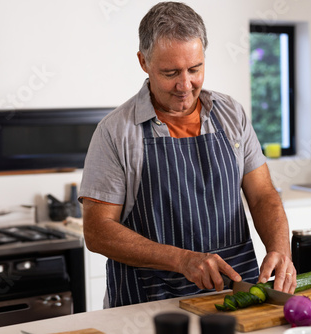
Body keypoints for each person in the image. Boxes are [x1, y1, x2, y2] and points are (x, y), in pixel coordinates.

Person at [79, 1, 296, 308]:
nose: (185, 85)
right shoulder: (115, 132)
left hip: (236, 295)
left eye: (195, 69)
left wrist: (280, 249)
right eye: (170, 73)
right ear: (143, 62)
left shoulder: (231, 114)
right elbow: (97, 231)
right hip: (149, 303)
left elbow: (262, 195)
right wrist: (181, 260)